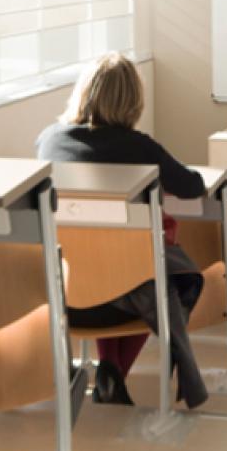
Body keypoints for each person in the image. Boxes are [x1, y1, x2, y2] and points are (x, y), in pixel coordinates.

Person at [35, 52, 208, 409]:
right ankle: (112, 369)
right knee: (164, 275)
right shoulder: (140, 148)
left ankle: (110, 371)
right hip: (128, 301)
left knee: (126, 268)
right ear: (133, 101)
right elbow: (193, 187)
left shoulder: (49, 141)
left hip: (58, 295)